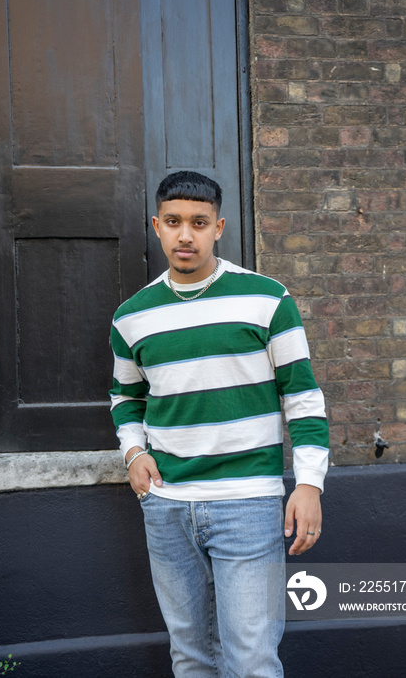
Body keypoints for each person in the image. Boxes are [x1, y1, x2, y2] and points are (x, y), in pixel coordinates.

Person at [110, 170, 329, 677]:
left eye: (198, 223)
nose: (185, 235)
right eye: (173, 222)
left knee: (251, 659)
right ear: (157, 226)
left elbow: (302, 396)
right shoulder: (131, 316)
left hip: (249, 503)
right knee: (189, 656)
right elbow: (125, 397)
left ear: (218, 227)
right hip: (166, 506)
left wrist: (310, 483)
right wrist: (133, 452)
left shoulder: (267, 299)